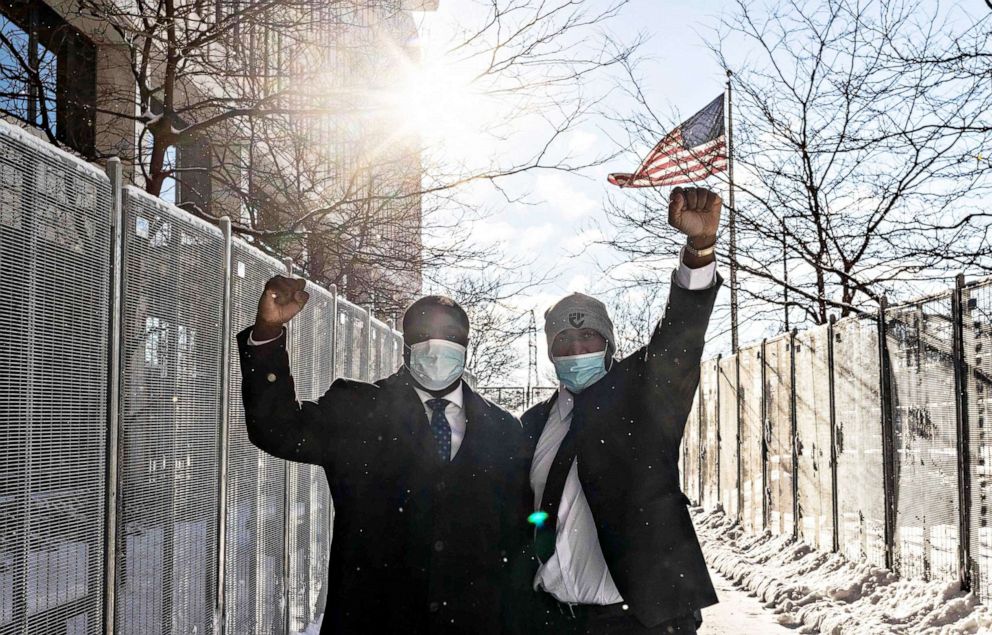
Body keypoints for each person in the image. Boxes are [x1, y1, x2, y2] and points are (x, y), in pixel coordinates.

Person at [236, 290, 529, 634]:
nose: (436, 347)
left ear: (466, 344)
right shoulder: (357, 409)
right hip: (372, 619)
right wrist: (268, 335)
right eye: (423, 334)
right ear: (405, 344)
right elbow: (278, 429)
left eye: (450, 336)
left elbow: (517, 536)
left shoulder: (503, 428)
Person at [521, 186, 723, 634]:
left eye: (589, 338)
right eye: (564, 342)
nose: (577, 349)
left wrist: (699, 251)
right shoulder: (534, 424)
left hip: (641, 622)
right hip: (554, 619)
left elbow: (680, 337)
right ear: (550, 354)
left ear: (609, 344)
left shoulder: (645, 397)